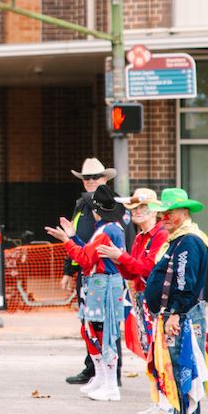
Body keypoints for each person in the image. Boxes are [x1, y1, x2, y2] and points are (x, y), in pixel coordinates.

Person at [141, 188, 208, 414]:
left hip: (181, 315)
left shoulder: (187, 241)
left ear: (185, 212)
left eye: (170, 212)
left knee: (181, 366)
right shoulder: (181, 240)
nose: (164, 217)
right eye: (163, 213)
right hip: (182, 313)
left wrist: (176, 314)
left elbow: (184, 281)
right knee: (188, 365)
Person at [48, 184, 128, 401]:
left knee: (102, 333)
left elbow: (84, 258)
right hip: (100, 284)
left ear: (95, 210)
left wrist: (67, 241)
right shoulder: (109, 229)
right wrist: (72, 238)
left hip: (103, 284)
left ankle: (109, 383)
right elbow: (88, 253)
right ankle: (102, 378)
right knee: (94, 331)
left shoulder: (106, 231)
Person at [97, 189, 169, 414]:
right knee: (150, 351)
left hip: (156, 301)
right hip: (141, 298)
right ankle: (158, 402)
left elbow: (148, 268)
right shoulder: (140, 238)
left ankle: (167, 405)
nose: (138, 212)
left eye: (143, 208)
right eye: (135, 208)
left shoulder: (160, 235)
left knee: (160, 353)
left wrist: (120, 257)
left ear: (155, 210)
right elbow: (131, 271)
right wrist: (118, 259)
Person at [61, 157, 114, 385]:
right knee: (88, 323)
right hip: (85, 271)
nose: (90, 181)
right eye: (86, 178)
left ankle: (111, 374)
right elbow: (73, 236)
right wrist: (68, 270)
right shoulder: (81, 204)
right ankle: (93, 368)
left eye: (95, 177)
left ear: (105, 179)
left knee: (106, 325)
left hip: (104, 273)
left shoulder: (111, 203)